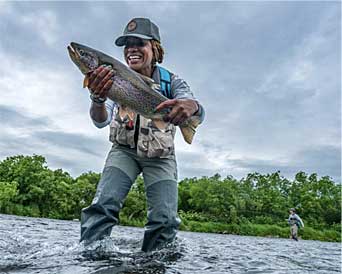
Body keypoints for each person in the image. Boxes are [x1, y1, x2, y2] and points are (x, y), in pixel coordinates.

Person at [79, 18, 205, 252]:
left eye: (139, 43)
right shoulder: (111, 76)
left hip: (160, 157)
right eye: (127, 44)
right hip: (123, 151)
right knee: (102, 206)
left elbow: (196, 108)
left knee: (164, 220)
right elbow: (100, 121)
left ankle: (153, 263)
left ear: (155, 48)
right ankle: (88, 256)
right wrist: (97, 97)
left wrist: (193, 107)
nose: (132, 49)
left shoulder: (172, 81)